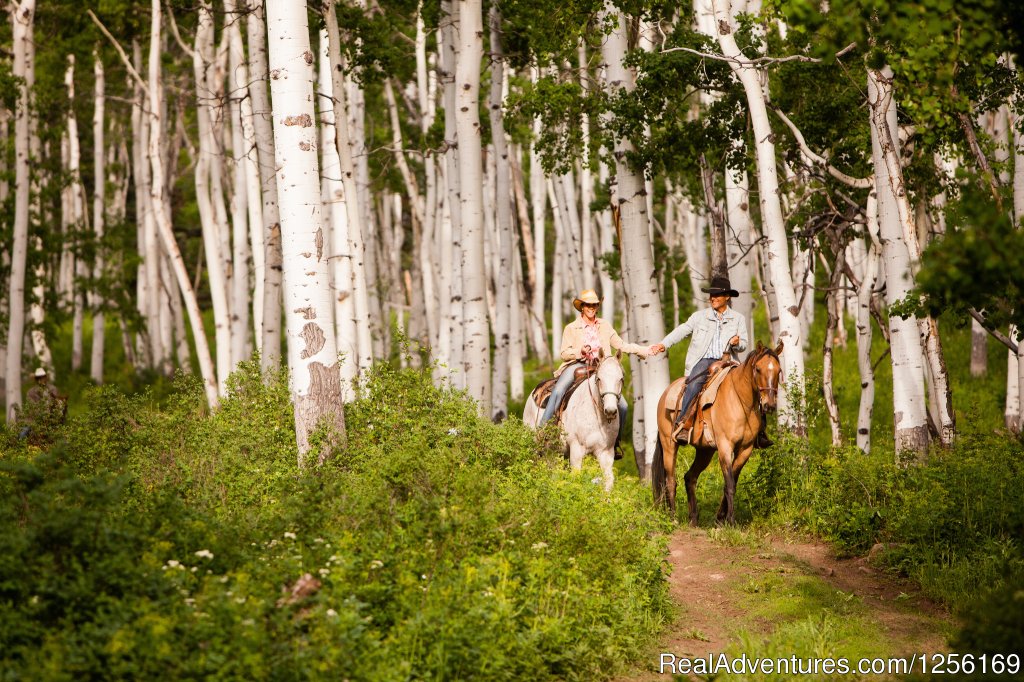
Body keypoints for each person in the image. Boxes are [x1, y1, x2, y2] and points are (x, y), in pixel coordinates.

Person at [649, 276, 758, 444]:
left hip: (729, 361)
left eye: (717, 295)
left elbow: (744, 344)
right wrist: (663, 344)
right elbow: (682, 330)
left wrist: (737, 343)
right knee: (694, 383)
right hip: (704, 360)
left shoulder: (738, 319)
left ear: (727, 297)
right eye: (711, 295)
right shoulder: (699, 317)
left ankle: (759, 429)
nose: (712, 298)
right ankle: (683, 423)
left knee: (753, 383)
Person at [539, 290, 650, 452]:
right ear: (582, 307)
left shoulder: (604, 325)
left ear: (597, 307)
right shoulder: (571, 328)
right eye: (588, 305)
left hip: (602, 367)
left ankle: (615, 442)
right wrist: (580, 351)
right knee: (558, 390)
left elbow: (621, 345)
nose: (591, 308)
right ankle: (543, 432)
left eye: (594, 305)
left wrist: (643, 350)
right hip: (578, 364)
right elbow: (564, 353)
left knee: (624, 406)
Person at [19, 367, 63, 440]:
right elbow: (32, 406)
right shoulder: (31, 392)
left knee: (62, 436)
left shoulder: (53, 389)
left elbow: (57, 403)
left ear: (46, 377)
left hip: (53, 419)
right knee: (23, 433)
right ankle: (18, 445)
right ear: (36, 379)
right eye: (39, 378)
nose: (41, 379)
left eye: (43, 377)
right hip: (34, 420)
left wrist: (53, 414)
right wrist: (44, 413)